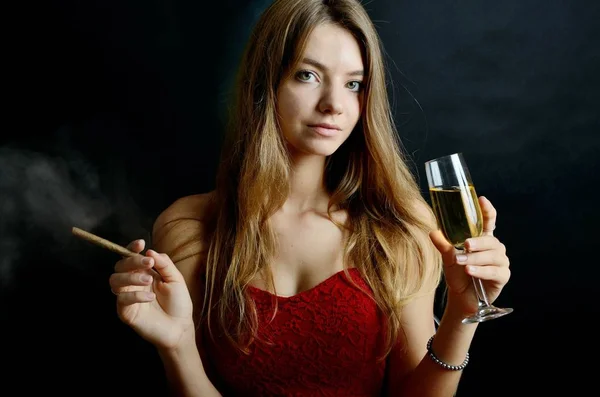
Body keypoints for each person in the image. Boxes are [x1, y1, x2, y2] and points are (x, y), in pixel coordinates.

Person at [109, 0, 512, 395]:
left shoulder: (400, 227)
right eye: (308, 75)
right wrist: (176, 345)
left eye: (353, 84)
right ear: (265, 82)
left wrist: (462, 315)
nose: (334, 105)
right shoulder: (191, 227)